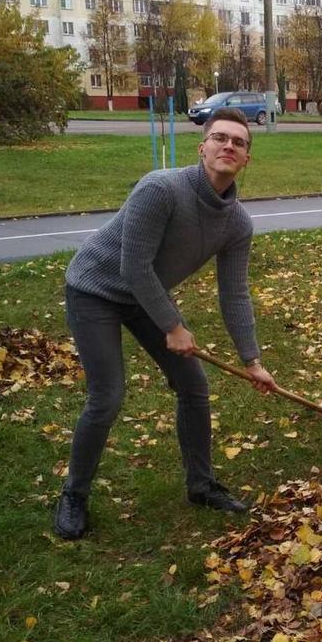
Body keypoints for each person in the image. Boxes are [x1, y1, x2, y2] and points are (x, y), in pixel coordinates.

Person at [54, 108, 277, 541]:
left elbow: (234, 294)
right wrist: (173, 325)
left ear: (247, 159)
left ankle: (201, 485)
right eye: (219, 137)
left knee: (194, 386)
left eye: (239, 142)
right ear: (203, 147)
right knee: (108, 395)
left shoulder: (237, 223)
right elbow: (133, 266)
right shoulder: (161, 189)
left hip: (143, 296)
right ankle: (74, 494)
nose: (228, 145)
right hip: (95, 288)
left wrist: (252, 361)